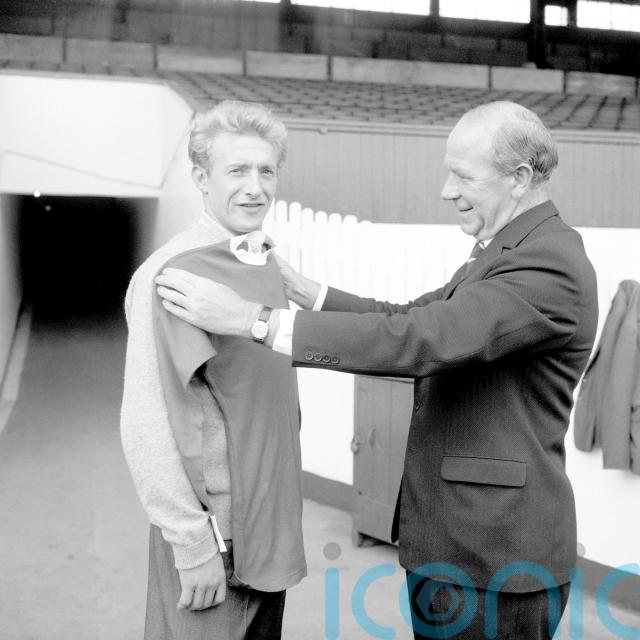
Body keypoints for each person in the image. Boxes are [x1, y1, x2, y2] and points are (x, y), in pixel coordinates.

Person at [155, 101, 598, 639]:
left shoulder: (547, 263)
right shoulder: (505, 249)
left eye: (463, 176)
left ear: (520, 178)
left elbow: (423, 338)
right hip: (461, 546)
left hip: (495, 559)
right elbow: (410, 315)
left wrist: (254, 321)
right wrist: (308, 293)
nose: (447, 190)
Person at [120, 100, 306, 640]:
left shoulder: (262, 261)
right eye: (237, 171)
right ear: (202, 178)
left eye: (266, 171)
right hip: (215, 541)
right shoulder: (172, 274)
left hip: (268, 531)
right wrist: (190, 541)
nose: (255, 188)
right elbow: (147, 420)